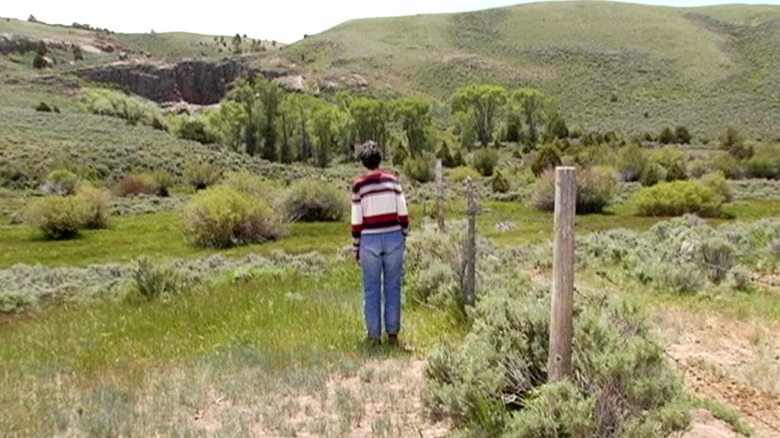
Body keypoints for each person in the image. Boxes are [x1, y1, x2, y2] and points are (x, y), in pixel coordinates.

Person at [351, 141, 409, 346]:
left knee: (371, 289)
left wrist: (356, 247)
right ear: (379, 160)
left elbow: (357, 220)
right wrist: (403, 234)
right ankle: (392, 335)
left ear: (364, 162)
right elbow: (403, 212)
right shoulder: (393, 181)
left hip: (370, 241)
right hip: (393, 236)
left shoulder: (359, 185)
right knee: (393, 287)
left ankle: (373, 337)